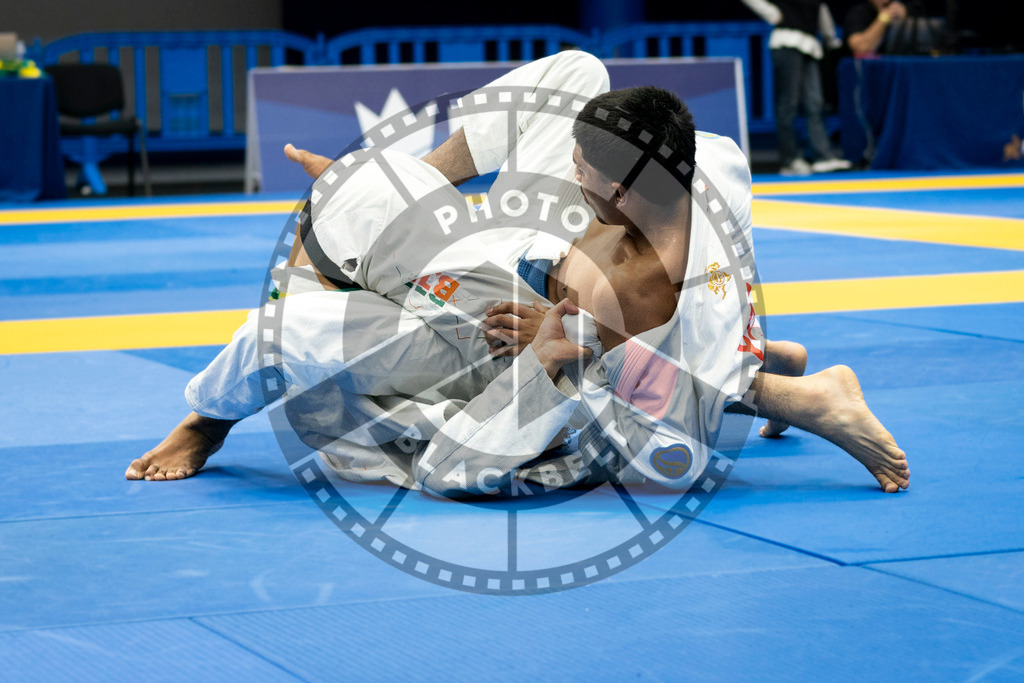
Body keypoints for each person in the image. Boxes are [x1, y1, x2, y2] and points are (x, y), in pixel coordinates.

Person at [127, 51, 908, 495]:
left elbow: (656, 424)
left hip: (523, 345)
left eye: (584, 166)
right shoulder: (710, 170)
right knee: (574, 70)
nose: (570, 169)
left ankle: (206, 420)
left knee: (287, 329)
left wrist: (568, 345)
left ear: (625, 186)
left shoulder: (670, 322)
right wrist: (415, 188)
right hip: (536, 271)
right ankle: (407, 192)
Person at [741, 0, 853, 176]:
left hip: (811, 46)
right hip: (787, 42)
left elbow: (821, 10)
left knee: (814, 103)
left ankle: (822, 156)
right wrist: (773, 15)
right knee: (788, 104)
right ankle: (790, 160)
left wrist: (830, 38)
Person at [844, 0, 909, 58]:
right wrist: (883, 19)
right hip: (864, 68)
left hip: (895, 66)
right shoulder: (857, 13)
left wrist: (904, 20)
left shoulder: (903, 10)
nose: (885, 1)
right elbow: (860, 48)